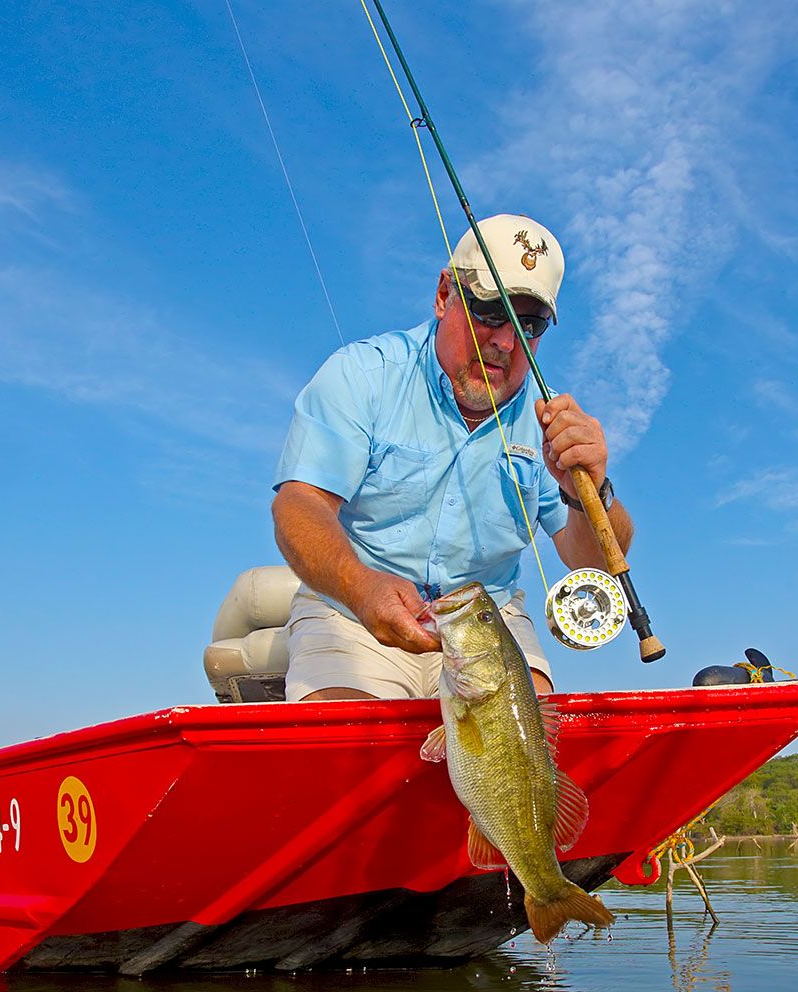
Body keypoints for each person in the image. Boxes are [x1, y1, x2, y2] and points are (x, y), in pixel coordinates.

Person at [271, 213, 634, 701]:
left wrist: (591, 490)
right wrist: (360, 588)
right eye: (489, 311)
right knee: (346, 754)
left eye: (529, 324)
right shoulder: (362, 375)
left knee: (530, 761)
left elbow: (590, 560)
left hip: (491, 619)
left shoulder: (550, 422)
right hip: (350, 609)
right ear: (444, 294)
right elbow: (299, 504)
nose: (506, 341)